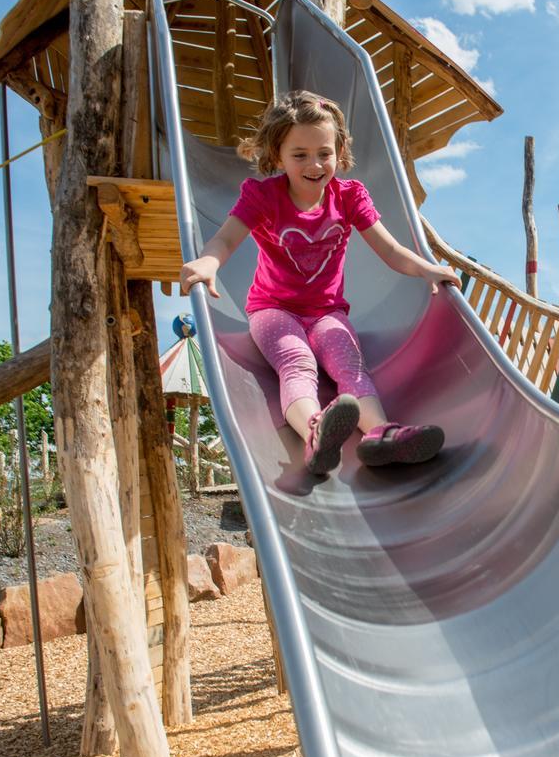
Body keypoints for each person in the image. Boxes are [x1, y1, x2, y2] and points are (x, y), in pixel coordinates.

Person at [180, 90, 459, 475]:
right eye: (300, 155)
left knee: (350, 364)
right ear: (277, 156)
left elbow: (391, 248)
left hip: (327, 312)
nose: (314, 164)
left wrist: (426, 268)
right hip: (272, 310)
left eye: (324, 153)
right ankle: (315, 431)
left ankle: (381, 434)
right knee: (297, 362)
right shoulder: (263, 196)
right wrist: (209, 262)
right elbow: (226, 238)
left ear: (339, 151)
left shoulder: (348, 197)